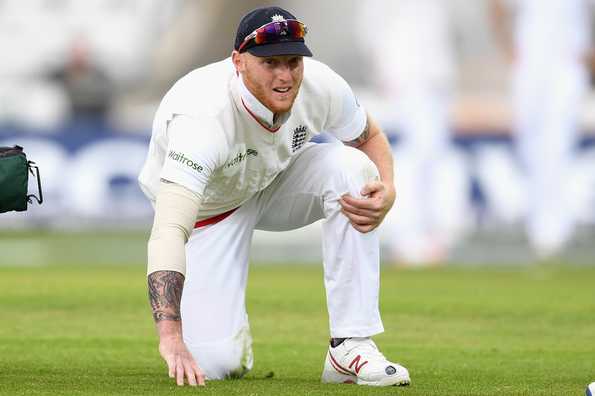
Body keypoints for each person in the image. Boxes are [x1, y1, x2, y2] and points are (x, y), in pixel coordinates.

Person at [138, 6, 411, 387]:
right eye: (270, 63)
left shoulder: (320, 84)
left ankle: (350, 346)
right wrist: (170, 337)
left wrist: (389, 187)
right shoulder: (201, 117)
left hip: (274, 182)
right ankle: (228, 340)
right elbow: (169, 229)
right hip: (208, 214)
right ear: (238, 62)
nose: (285, 75)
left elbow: (368, 137)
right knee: (218, 364)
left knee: (354, 171)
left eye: (292, 61)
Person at [491, 0, 594, 258]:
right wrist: (508, 47)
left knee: (558, 140)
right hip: (531, 60)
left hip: (568, 59)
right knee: (530, 141)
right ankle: (538, 218)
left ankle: (553, 226)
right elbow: (496, 7)